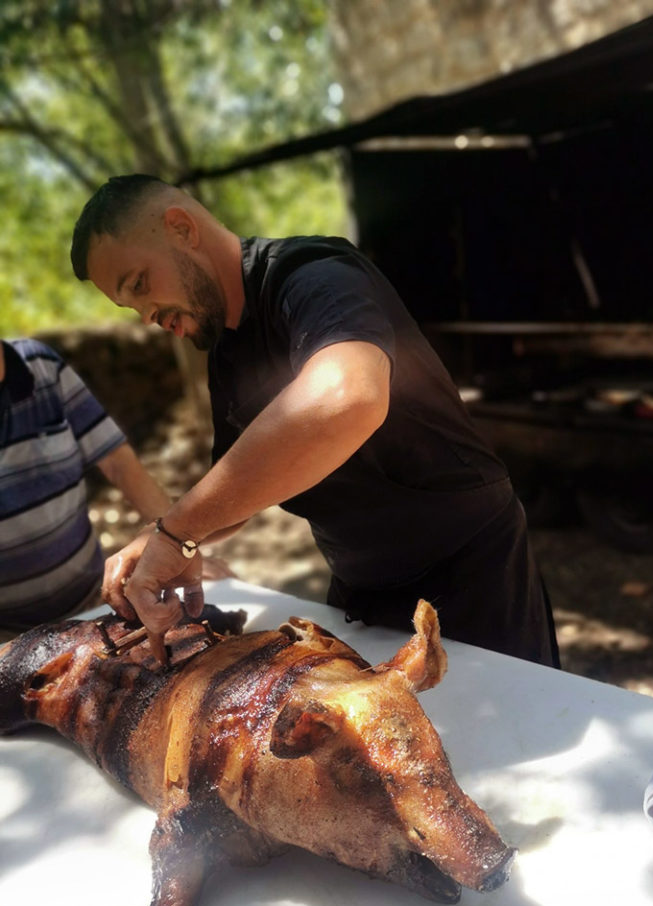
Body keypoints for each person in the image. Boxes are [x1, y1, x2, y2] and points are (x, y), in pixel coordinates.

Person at [70, 174, 559, 666]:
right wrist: (162, 537)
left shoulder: (313, 274)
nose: (147, 316)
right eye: (129, 305)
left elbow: (350, 396)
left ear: (181, 228)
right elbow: (237, 491)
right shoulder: (226, 355)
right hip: (360, 592)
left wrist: (179, 532)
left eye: (140, 284)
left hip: (475, 577)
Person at [0, 335, 172, 640]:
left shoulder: (41, 367)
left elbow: (120, 463)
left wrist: (176, 543)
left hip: (94, 608)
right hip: (6, 638)